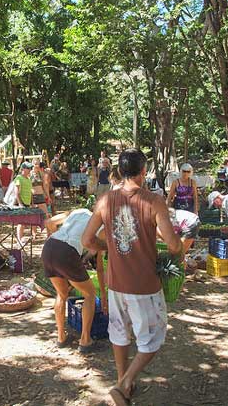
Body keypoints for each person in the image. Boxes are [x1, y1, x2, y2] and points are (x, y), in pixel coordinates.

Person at [81, 149, 182, 406]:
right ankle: (125, 382)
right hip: (143, 284)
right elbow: (173, 245)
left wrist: (108, 248)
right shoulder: (154, 201)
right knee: (153, 336)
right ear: (143, 171)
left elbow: (87, 240)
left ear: (119, 171)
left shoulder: (105, 200)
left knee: (119, 333)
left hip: (115, 282)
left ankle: (121, 383)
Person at [42, 209, 105, 352]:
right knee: (89, 294)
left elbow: (49, 222)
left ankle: (61, 337)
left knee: (61, 293)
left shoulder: (79, 211)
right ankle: (85, 340)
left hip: (49, 246)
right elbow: (96, 251)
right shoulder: (100, 226)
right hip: (67, 252)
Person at [14, 162, 33, 242]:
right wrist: (20, 203)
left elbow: (30, 192)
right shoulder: (18, 178)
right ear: (23, 169)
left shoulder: (29, 179)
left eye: (30, 168)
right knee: (21, 222)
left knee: (24, 222)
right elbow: (16, 192)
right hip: (21, 203)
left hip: (28, 203)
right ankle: (19, 239)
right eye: (28, 168)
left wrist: (32, 203)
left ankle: (21, 237)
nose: (29, 170)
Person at [30, 159, 50, 226]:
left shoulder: (41, 173)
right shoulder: (29, 174)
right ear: (32, 164)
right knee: (34, 216)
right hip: (33, 197)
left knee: (46, 214)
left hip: (41, 195)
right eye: (35, 164)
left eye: (38, 164)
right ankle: (34, 234)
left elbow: (45, 186)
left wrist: (48, 196)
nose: (37, 165)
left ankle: (48, 232)